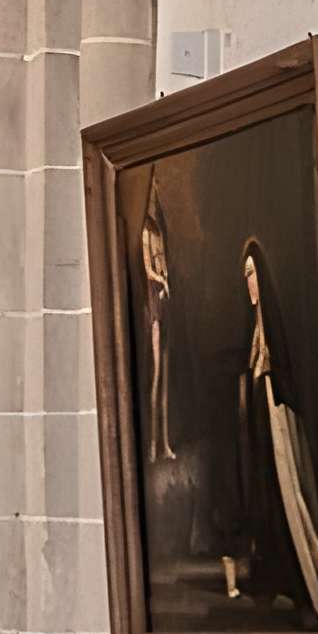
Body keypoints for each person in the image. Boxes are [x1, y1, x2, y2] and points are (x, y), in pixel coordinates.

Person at [238, 234, 318, 630]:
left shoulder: (274, 337)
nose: (248, 284)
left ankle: (306, 582)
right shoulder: (254, 334)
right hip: (267, 439)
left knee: (292, 499)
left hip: (281, 432)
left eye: (252, 274)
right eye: (244, 276)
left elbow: (280, 387)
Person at [137, 188, 177, 463]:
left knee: (166, 382)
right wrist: (162, 282)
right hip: (154, 310)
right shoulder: (145, 234)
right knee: (155, 378)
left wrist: (167, 282)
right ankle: (152, 445)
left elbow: (164, 268)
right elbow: (149, 270)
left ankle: (164, 443)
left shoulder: (161, 234)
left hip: (166, 307)